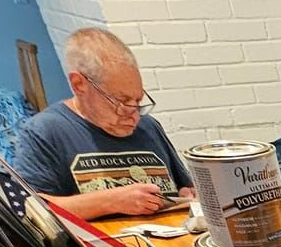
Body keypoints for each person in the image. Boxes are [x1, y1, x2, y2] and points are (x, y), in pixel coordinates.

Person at [12, 27, 195, 220]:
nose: (134, 116)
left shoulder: (149, 127)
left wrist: (187, 195)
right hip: (102, 246)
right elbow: (30, 210)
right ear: (79, 85)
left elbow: (183, 187)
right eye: (121, 102)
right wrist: (111, 201)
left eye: (138, 102)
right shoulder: (45, 131)